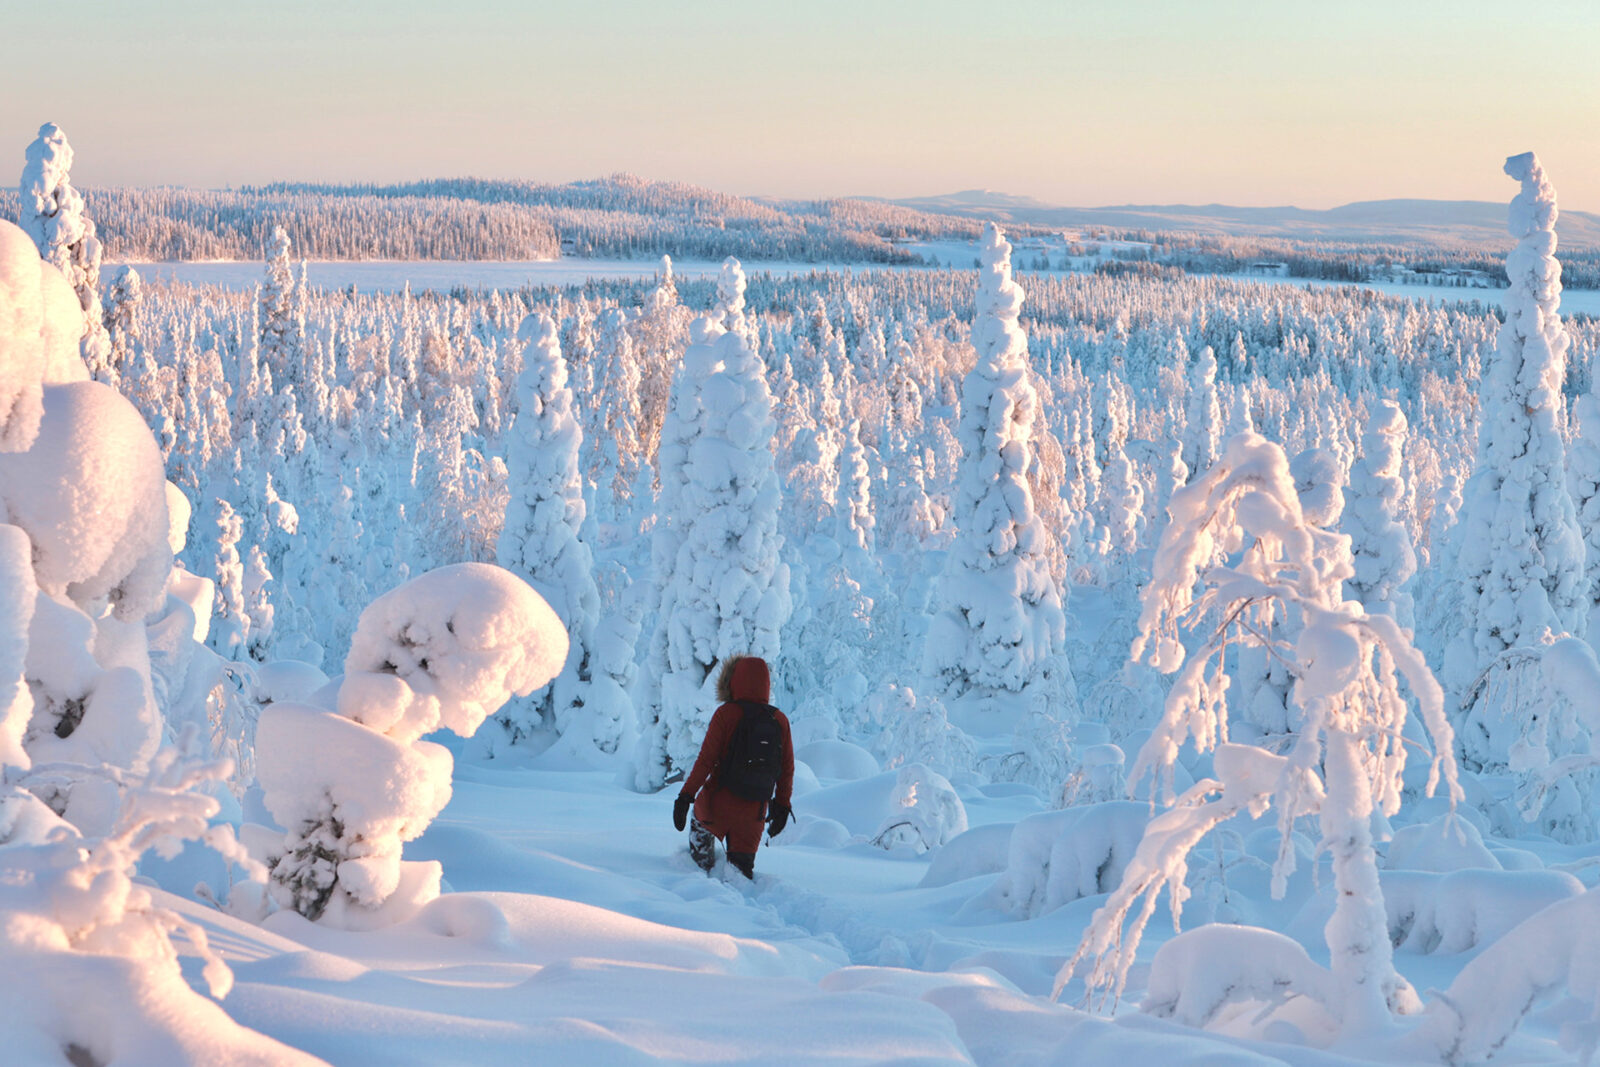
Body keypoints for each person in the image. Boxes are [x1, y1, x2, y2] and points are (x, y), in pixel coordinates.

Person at [671, 655, 794, 879]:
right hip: (753, 815)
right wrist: (782, 806)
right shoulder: (780, 720)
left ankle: (699, 897)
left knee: (699, 873)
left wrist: (685, 796)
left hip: (715, 808)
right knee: (740, 878)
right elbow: (786, 770)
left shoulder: (726, 714)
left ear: (732, 680)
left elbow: (705, 761)